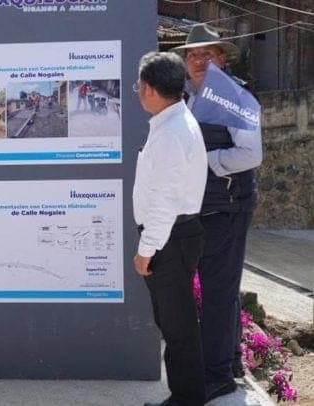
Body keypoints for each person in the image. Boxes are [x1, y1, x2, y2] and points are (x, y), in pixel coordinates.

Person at [172, 24, 263, 401]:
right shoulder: (184, 96)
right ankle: (232, 361)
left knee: (218, 291)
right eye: (192, 55)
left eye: (206, 54)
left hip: (228, 206)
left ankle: (218, 375)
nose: (198, 60)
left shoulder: (235, 97)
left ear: (222, 59)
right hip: (200, 206)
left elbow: (251, 155)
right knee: (222, 287)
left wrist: (204, 160)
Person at [132, 52, 208, 406]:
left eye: (138, 85)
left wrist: (146, 250)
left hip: (170, 239)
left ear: (149, 88)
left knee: (178, 328)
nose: (138, 91)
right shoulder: (173, 123)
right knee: (176, 324)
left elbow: (165, 202)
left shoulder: (172, 133)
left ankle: (186, 399)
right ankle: (186, 395)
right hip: (174, 236)